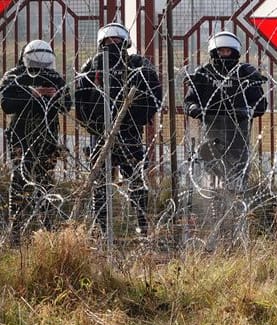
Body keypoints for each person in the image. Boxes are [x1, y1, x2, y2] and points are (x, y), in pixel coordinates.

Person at [75, 22, 162, 236]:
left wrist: (136, 118)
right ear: (101, 43)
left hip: (130, 131)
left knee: (136, 178)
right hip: (100, 133)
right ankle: (103, 228)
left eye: (117, 41)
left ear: (125, 43)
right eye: (108, 41)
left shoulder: (137, 65)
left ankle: (142, 225)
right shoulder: (92, 67)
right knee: (100, 181)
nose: (112, 45)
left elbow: (154, 96)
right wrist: (94, 125)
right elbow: (80, 101)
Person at [0, 39, 72, 246]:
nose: (40, 70)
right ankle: (16, 230)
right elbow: (6, 104)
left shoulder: (54, 78)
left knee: (46, 183)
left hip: (47, 139)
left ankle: (47, 230)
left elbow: (67, 104)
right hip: (21, 138)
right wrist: (33, 94)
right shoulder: (15, 76)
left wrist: (56, 96)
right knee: (19, 180)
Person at [184, 31, 268, 193]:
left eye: (227, 51)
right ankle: (214, 205)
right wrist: (195, 109)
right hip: (210, 129)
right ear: (214, 52)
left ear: (234, 52)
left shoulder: (244, 73)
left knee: (237, 176)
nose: (224, 55)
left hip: (238, 131)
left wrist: (247, 111)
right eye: (220, 51)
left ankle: (237, 207)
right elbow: (189, 100)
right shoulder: (204, 73)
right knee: (211, 171)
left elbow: (260, 104)